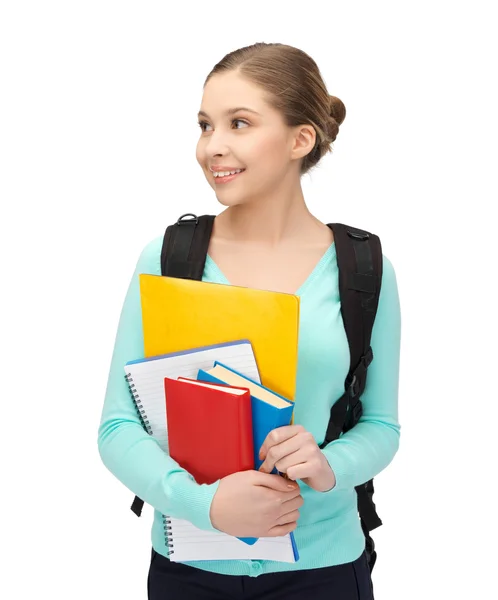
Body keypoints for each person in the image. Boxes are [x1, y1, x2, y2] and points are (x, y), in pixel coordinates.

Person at [98, 42, 401, 599]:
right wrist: (205, 504)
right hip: (189, 570)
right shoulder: (168, 260)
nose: (214, 146)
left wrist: (327, 464)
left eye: (239, 123)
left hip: (325, 570)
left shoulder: (363, 268)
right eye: (205, 125)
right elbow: (118, 428)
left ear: (300, 139)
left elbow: (381, 425)